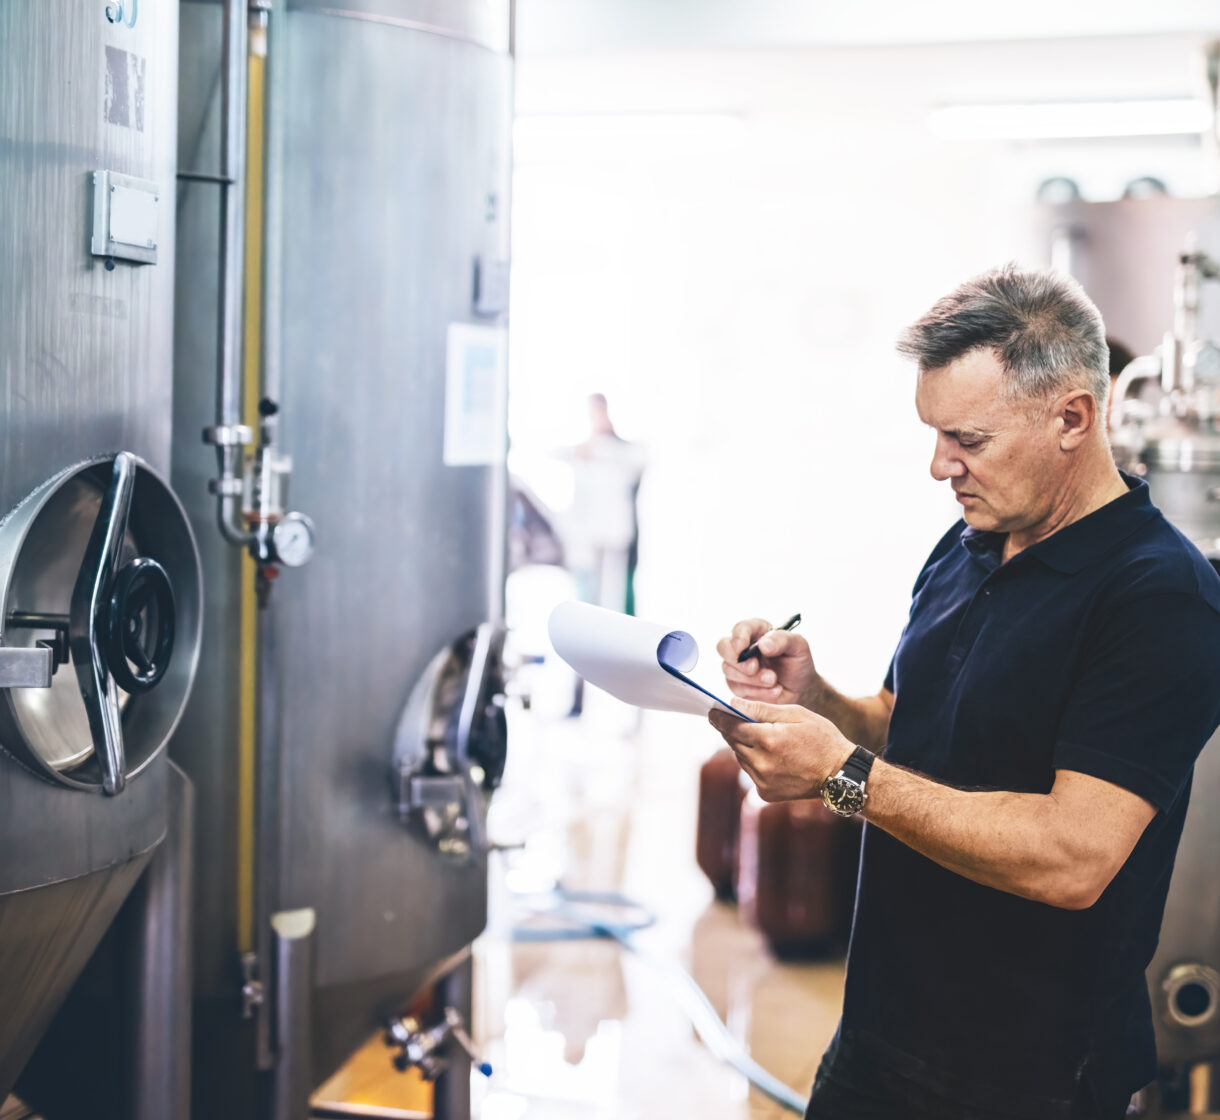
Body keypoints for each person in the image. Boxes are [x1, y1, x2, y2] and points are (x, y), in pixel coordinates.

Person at [710, 265, 1220, 1120]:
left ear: (1072, 418)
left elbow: (1072, 857)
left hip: (1027, 1079)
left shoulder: (1159, 595)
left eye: (968, 440)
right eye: (935, 433)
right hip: (878, 1035)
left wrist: (841, 776)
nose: (939, 465)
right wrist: (816, 700)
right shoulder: (970, 545)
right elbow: (905, 727)